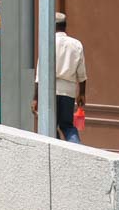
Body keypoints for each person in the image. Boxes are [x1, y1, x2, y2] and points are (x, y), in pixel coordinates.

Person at [33, 12, 87, 142]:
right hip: (68, 92)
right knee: (67, 126)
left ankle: (56, 152)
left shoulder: (47, 43)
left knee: (49, 127)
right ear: (65, 26)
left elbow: (40, 74)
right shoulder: (76, 44)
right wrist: (82, 94)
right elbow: (82, 74)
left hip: (49, 91)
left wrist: (36, 98)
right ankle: (77, 151)